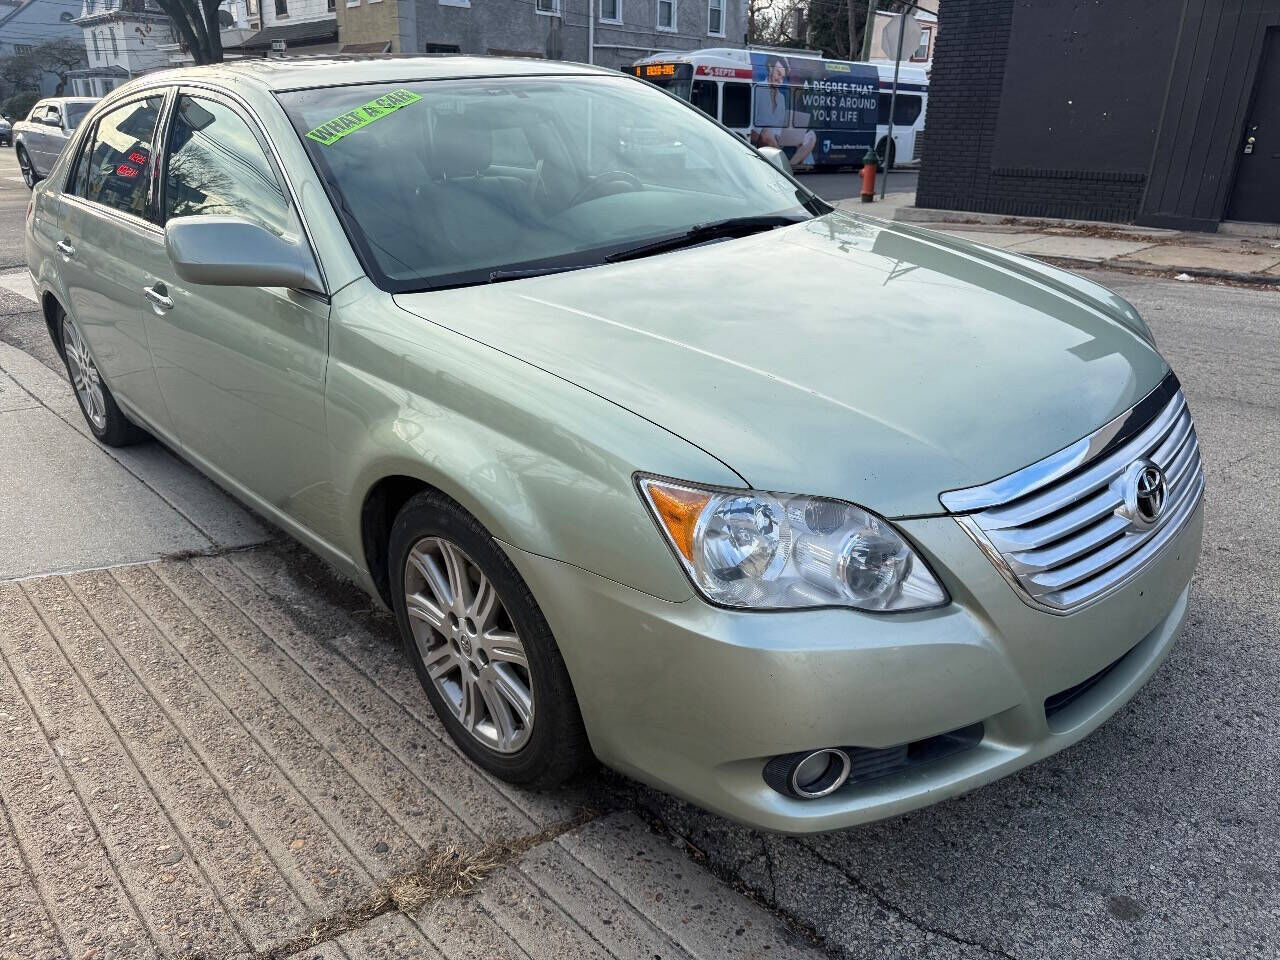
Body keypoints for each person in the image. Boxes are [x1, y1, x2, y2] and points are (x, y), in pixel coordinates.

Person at [750, 57, 817, 170]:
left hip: (776, 137)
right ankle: (784, 166)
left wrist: (793, 136)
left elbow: (780, 125)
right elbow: (750, 120)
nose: (780, 80)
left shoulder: (781, 98)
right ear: (770, 68)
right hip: (757, 134)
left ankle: (789, 165)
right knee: (767, 132)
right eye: (778, 73)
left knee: (811, 136)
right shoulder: (757, 88)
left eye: (782, 77)